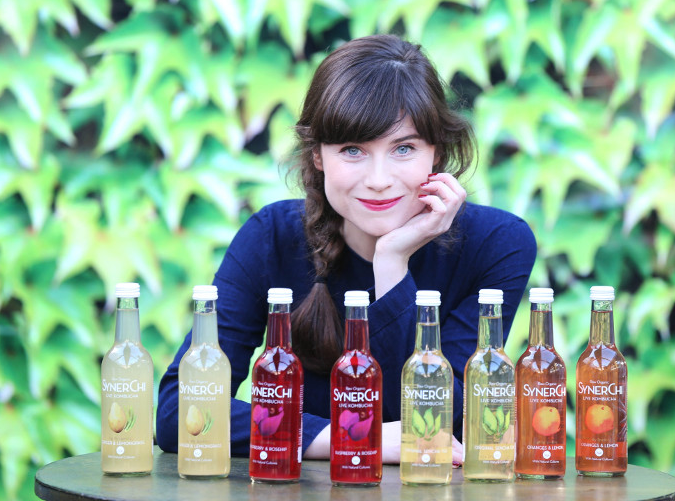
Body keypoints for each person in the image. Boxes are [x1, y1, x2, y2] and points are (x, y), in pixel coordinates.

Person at [156, 34, 537, 463]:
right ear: (318, 155)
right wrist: (350, 437)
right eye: (352, 150)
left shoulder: (497, 244)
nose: (378, 178)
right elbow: (180, 412)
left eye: (404, 148)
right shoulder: (272, 236)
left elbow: (437, 422)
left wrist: (392, 263)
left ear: (437, 152)